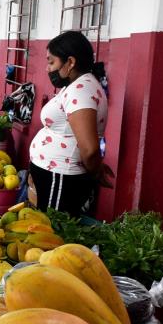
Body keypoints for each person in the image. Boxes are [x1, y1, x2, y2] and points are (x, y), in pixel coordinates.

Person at [28, 30, 111, 216]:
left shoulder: (81, 91)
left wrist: (96, 170)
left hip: (61, 178)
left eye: (51, 62)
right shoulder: (77, 86)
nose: (47, 69)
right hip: (55, 175)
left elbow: (89, 150)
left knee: (53, 232)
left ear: (70, 62)